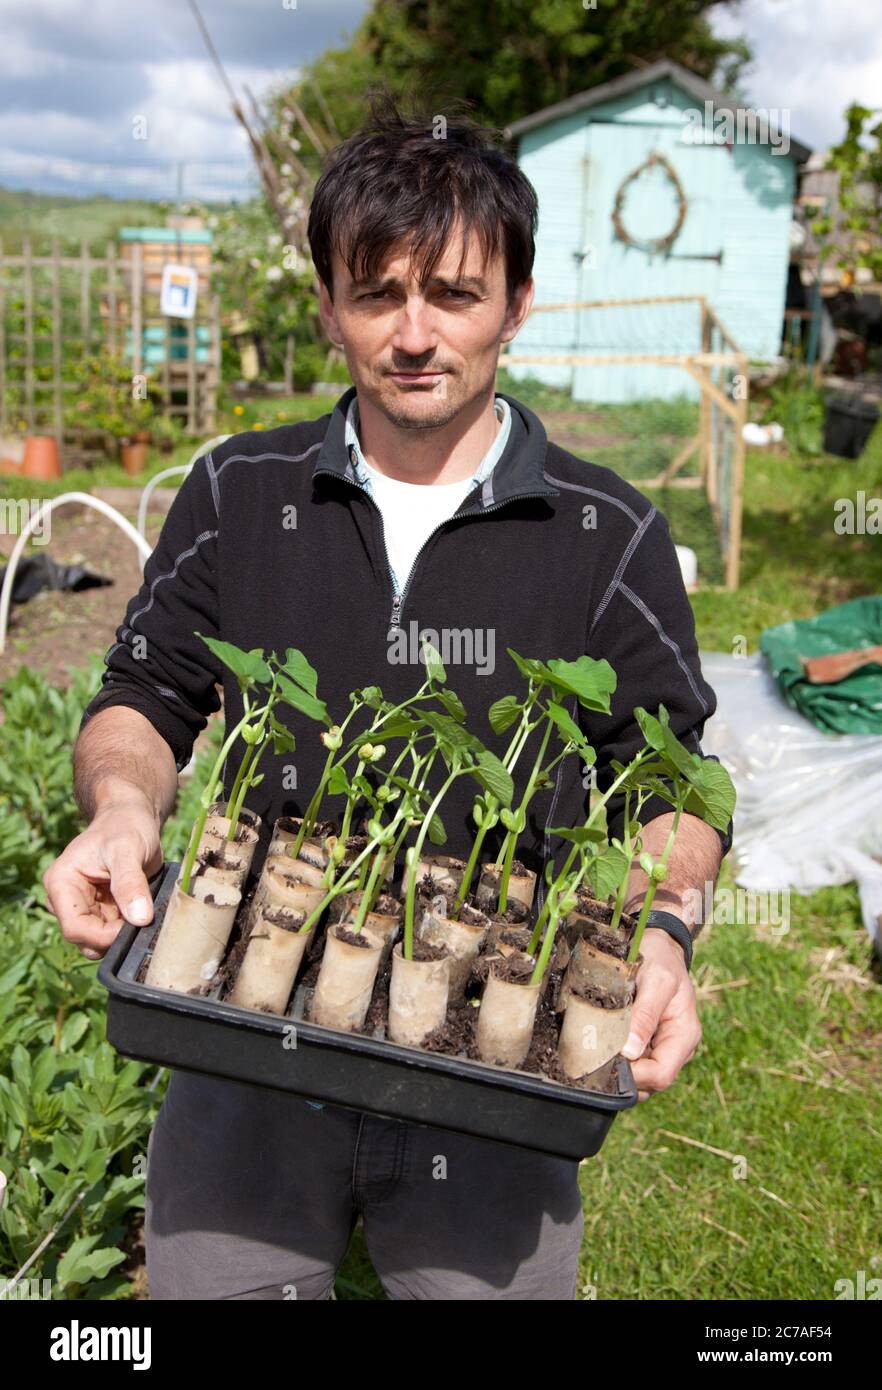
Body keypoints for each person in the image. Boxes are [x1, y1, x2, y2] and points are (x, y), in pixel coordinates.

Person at [44, 98, 732, 1301]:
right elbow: (142, 697)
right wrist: (119, 808)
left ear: (517, 305)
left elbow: (677, 783)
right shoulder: (240, 488)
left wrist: (666, 929)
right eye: (376, 294)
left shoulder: (607, 533)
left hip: (498, 1069)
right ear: (328, 305)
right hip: (242, 1046)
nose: (414, 334)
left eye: (455, 294)